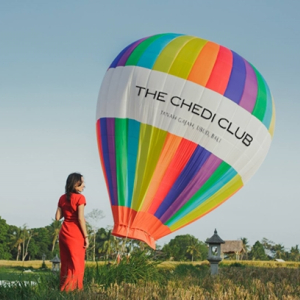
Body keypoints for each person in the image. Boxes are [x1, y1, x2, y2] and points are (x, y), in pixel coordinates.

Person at [55, 172, 89, 291]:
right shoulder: (80, 198)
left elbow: (57, 217)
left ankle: (64, 288)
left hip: (64, 232)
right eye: (82, 182)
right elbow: (80, 218)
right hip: (75, 233)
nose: (84, 185)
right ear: (75, 184)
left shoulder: (62, 198)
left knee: (66, 262)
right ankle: (75, 289)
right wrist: (86, 236)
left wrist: (65, 207)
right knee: (77, 263)